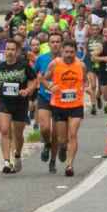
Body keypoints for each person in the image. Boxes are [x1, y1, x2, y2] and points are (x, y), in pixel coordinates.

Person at [0, 39, 37, 174]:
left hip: (20, 103)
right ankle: (6, 162)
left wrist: (27, 91)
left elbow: (34, 80)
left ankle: (17, 155)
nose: (9, 52)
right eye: (7, 49)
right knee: (4, 130)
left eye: (12, 49)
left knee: (17, 133)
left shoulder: (24, 66)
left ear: (17, 51)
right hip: (4, 102)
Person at [44, 41, 87, 176]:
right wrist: (50, 87)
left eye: (72, 52)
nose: (69, 55)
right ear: (62, 51)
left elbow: (85, 80)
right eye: (66, 52)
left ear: (76, 52)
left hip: (76, 105)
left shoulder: (81, 65)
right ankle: (62, 148)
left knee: (73, 134)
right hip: (59, 105)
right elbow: (43, 79)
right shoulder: (55, 64)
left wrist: (86, 88)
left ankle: (69, 165)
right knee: (62, 139)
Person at [35, 32, 63, 164]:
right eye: (52, 42)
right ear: (48, 44)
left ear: (61, 44)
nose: (55, 44)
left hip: (60, 99)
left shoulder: (67, 58)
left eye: (58, 42)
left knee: (56, 133)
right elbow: (37, 75)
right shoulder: (41, 59)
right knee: (45, 128)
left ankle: (52, 160)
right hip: (44, 96)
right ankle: (47, 144)